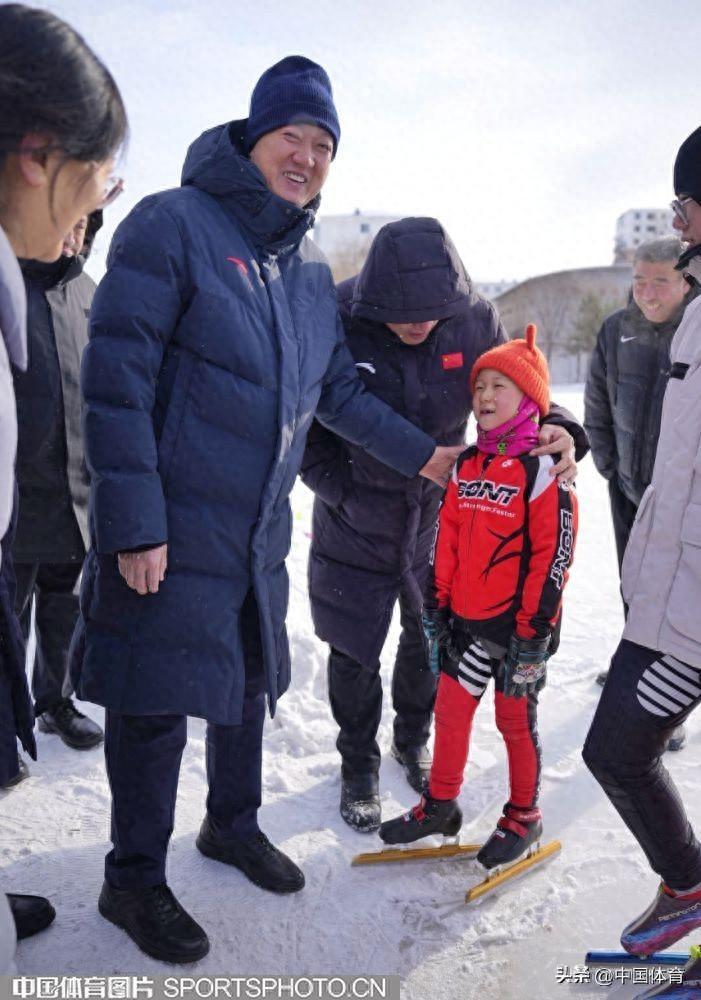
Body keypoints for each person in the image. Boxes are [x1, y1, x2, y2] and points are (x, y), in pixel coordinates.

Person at [70, 56, 461, 965]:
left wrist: (428, 456)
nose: (308, 158)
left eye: (324, 146)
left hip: (254, 533)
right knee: (153, 703)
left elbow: (340, 397)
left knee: (246, 682)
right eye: (293, 136)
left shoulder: (307, 270)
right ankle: (132, 876)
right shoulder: (172, 223)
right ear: (253, 137)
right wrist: (135, 522)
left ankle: (232, 825)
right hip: (170, 528)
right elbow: (116, 377)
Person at [301, 217, 586, 832]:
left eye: (430, 315)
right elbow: (312, 409)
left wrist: (561, 425)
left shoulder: (474, 317)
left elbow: (520, 385)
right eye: (402, 316)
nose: (417, 325)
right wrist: (337, 486)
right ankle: (357, 763)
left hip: (442, 516)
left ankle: (412, 740)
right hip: (355, 514)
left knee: (428, 637)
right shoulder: (339, 313)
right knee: (352, 645)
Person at [0, 1, 127, 962]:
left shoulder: (69, 290)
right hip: (20, 516)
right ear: (40, 155)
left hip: (63, 506)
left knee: (54, 628)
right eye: (99, 176)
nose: (95, 209)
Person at [379, 326, 578, 870]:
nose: (485, 397)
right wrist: (436, 604)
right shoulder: (468, 464)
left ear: (529, 397)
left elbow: (554, 557)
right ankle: (441, 804)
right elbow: (447, 540)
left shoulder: (545, 468)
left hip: (519, 630)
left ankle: (524, 816)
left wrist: (534, 632)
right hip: (465, 621)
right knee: (450, 710)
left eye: (499, 387)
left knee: (514, 722)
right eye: (479, 387)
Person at [582, 126, 701, 994]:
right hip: (672, 589)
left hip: (691, 605)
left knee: (618, 748)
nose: (678, 219)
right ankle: (689, 886)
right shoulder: (694, 309)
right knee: (616, 748)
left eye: (684, 201)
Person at [585, 236, 695, 743]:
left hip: (683, 498)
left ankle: (667, 708)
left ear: (686, 281)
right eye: (639, 281)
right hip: (629, 488)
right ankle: (634, 674)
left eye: (660, 282)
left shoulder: (696, 330)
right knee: (634, 586)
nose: (647, 293)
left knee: (678, 598)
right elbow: (596, 402)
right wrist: (609, 465)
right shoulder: (616, 329)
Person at [12, 213, 103, 752]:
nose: (73, 235)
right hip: (15, 491)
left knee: (64, 606)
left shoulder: (91, 293)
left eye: (82, 226)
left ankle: (54, 702)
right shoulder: (7, 282)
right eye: (65, 221)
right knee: (9, 613)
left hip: (75, 488)